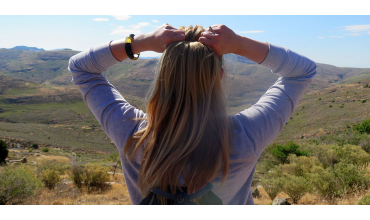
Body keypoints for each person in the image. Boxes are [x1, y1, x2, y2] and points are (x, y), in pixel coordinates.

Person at [68, 23, 316, 205]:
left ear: (163, 76)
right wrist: (239, 44)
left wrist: (140, 42)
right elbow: (302, 71)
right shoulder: (246, 136)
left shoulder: (132, 134)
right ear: (219, 76)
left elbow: (82, 68)